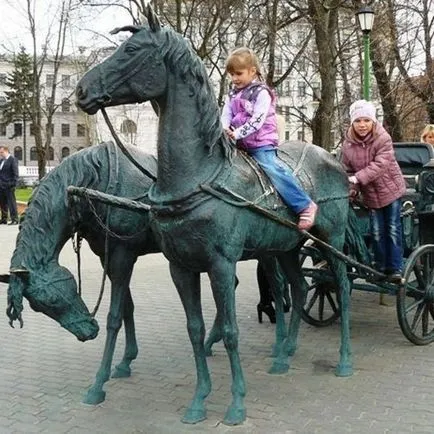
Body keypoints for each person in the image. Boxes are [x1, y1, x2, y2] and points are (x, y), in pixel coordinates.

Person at [221, 47, 318, 231]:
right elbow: (226, 114)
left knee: (270, 167)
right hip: (239, 143)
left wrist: (238, 132)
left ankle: (304, 205)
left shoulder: (262, 93)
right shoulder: (232, 93)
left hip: (261, 144)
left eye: (239, 73)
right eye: (231, 74)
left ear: (252, 71)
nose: (234, 78)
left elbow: (257, 120)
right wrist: (225, 128)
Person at [341, 100, 406, 283]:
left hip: (391, 190)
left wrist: (357, 178)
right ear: (352, 123)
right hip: (371, 195)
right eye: (358, 121)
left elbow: (381, 165)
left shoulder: (383, 138)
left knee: (392, 228)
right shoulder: (348, 145)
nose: (362, 125)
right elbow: (348, 171)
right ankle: (380, 267)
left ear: (373, 122)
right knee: (376, 231)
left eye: (366, 120)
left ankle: (395, 268)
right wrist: (352, 190)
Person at [0, 145, 19, 225]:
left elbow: (16, 174)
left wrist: (12, 184)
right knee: (3, 203)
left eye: (2, 152)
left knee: (11, 203)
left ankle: (14, 219)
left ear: (6, 151)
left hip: (9, 185)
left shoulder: (13, 160)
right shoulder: (1, 161)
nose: (0, 154)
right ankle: (4, 219)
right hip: (1, 186)